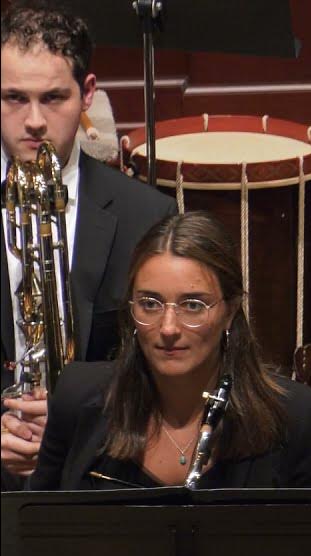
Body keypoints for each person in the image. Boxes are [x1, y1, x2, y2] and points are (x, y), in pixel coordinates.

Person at [0, 212, 311, 556]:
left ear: (230, 311)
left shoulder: (295, 413)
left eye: (193, 305)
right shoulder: (80, 397)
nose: (167, 328)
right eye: (150, 303)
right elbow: (33, 543)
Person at [1, 2, 176, 482]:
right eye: (14, 98)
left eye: (54, 98)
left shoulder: (147, 216)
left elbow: (164, 366)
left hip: (101, 466)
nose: (34, 121)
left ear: (87, 94)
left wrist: (79, 426)